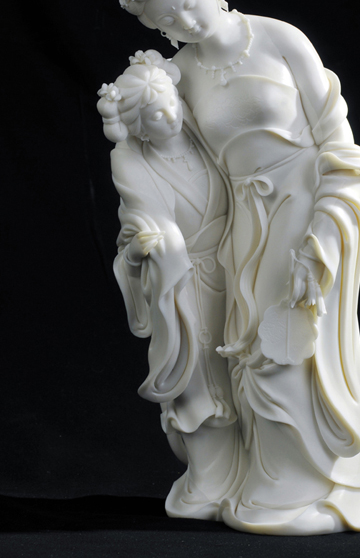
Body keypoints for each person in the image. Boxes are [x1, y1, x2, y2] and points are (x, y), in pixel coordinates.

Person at [88, 0, 360, 535]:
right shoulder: (181, 73)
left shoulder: (279, 39)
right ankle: (271, 480)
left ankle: (317, 484)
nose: (185, 22)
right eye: (166, 21)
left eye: (186, 3)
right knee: (248, 350)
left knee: (294, 344)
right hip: (243, 226)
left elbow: (335, 136)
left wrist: (324, 231)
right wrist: (125, 138)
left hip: (305, 206)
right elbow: (160, 142)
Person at [96, 52, 246, 520]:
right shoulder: (131, 161)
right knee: (199, 381)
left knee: (244, 373)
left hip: (236, 268)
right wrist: (148, 248)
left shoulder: (201, 136)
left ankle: (257, 470)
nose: (172, 115)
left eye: (171, 103)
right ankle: (210, 480)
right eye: (157, 115)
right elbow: (139, 226)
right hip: (185, 282)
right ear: (140, 129)